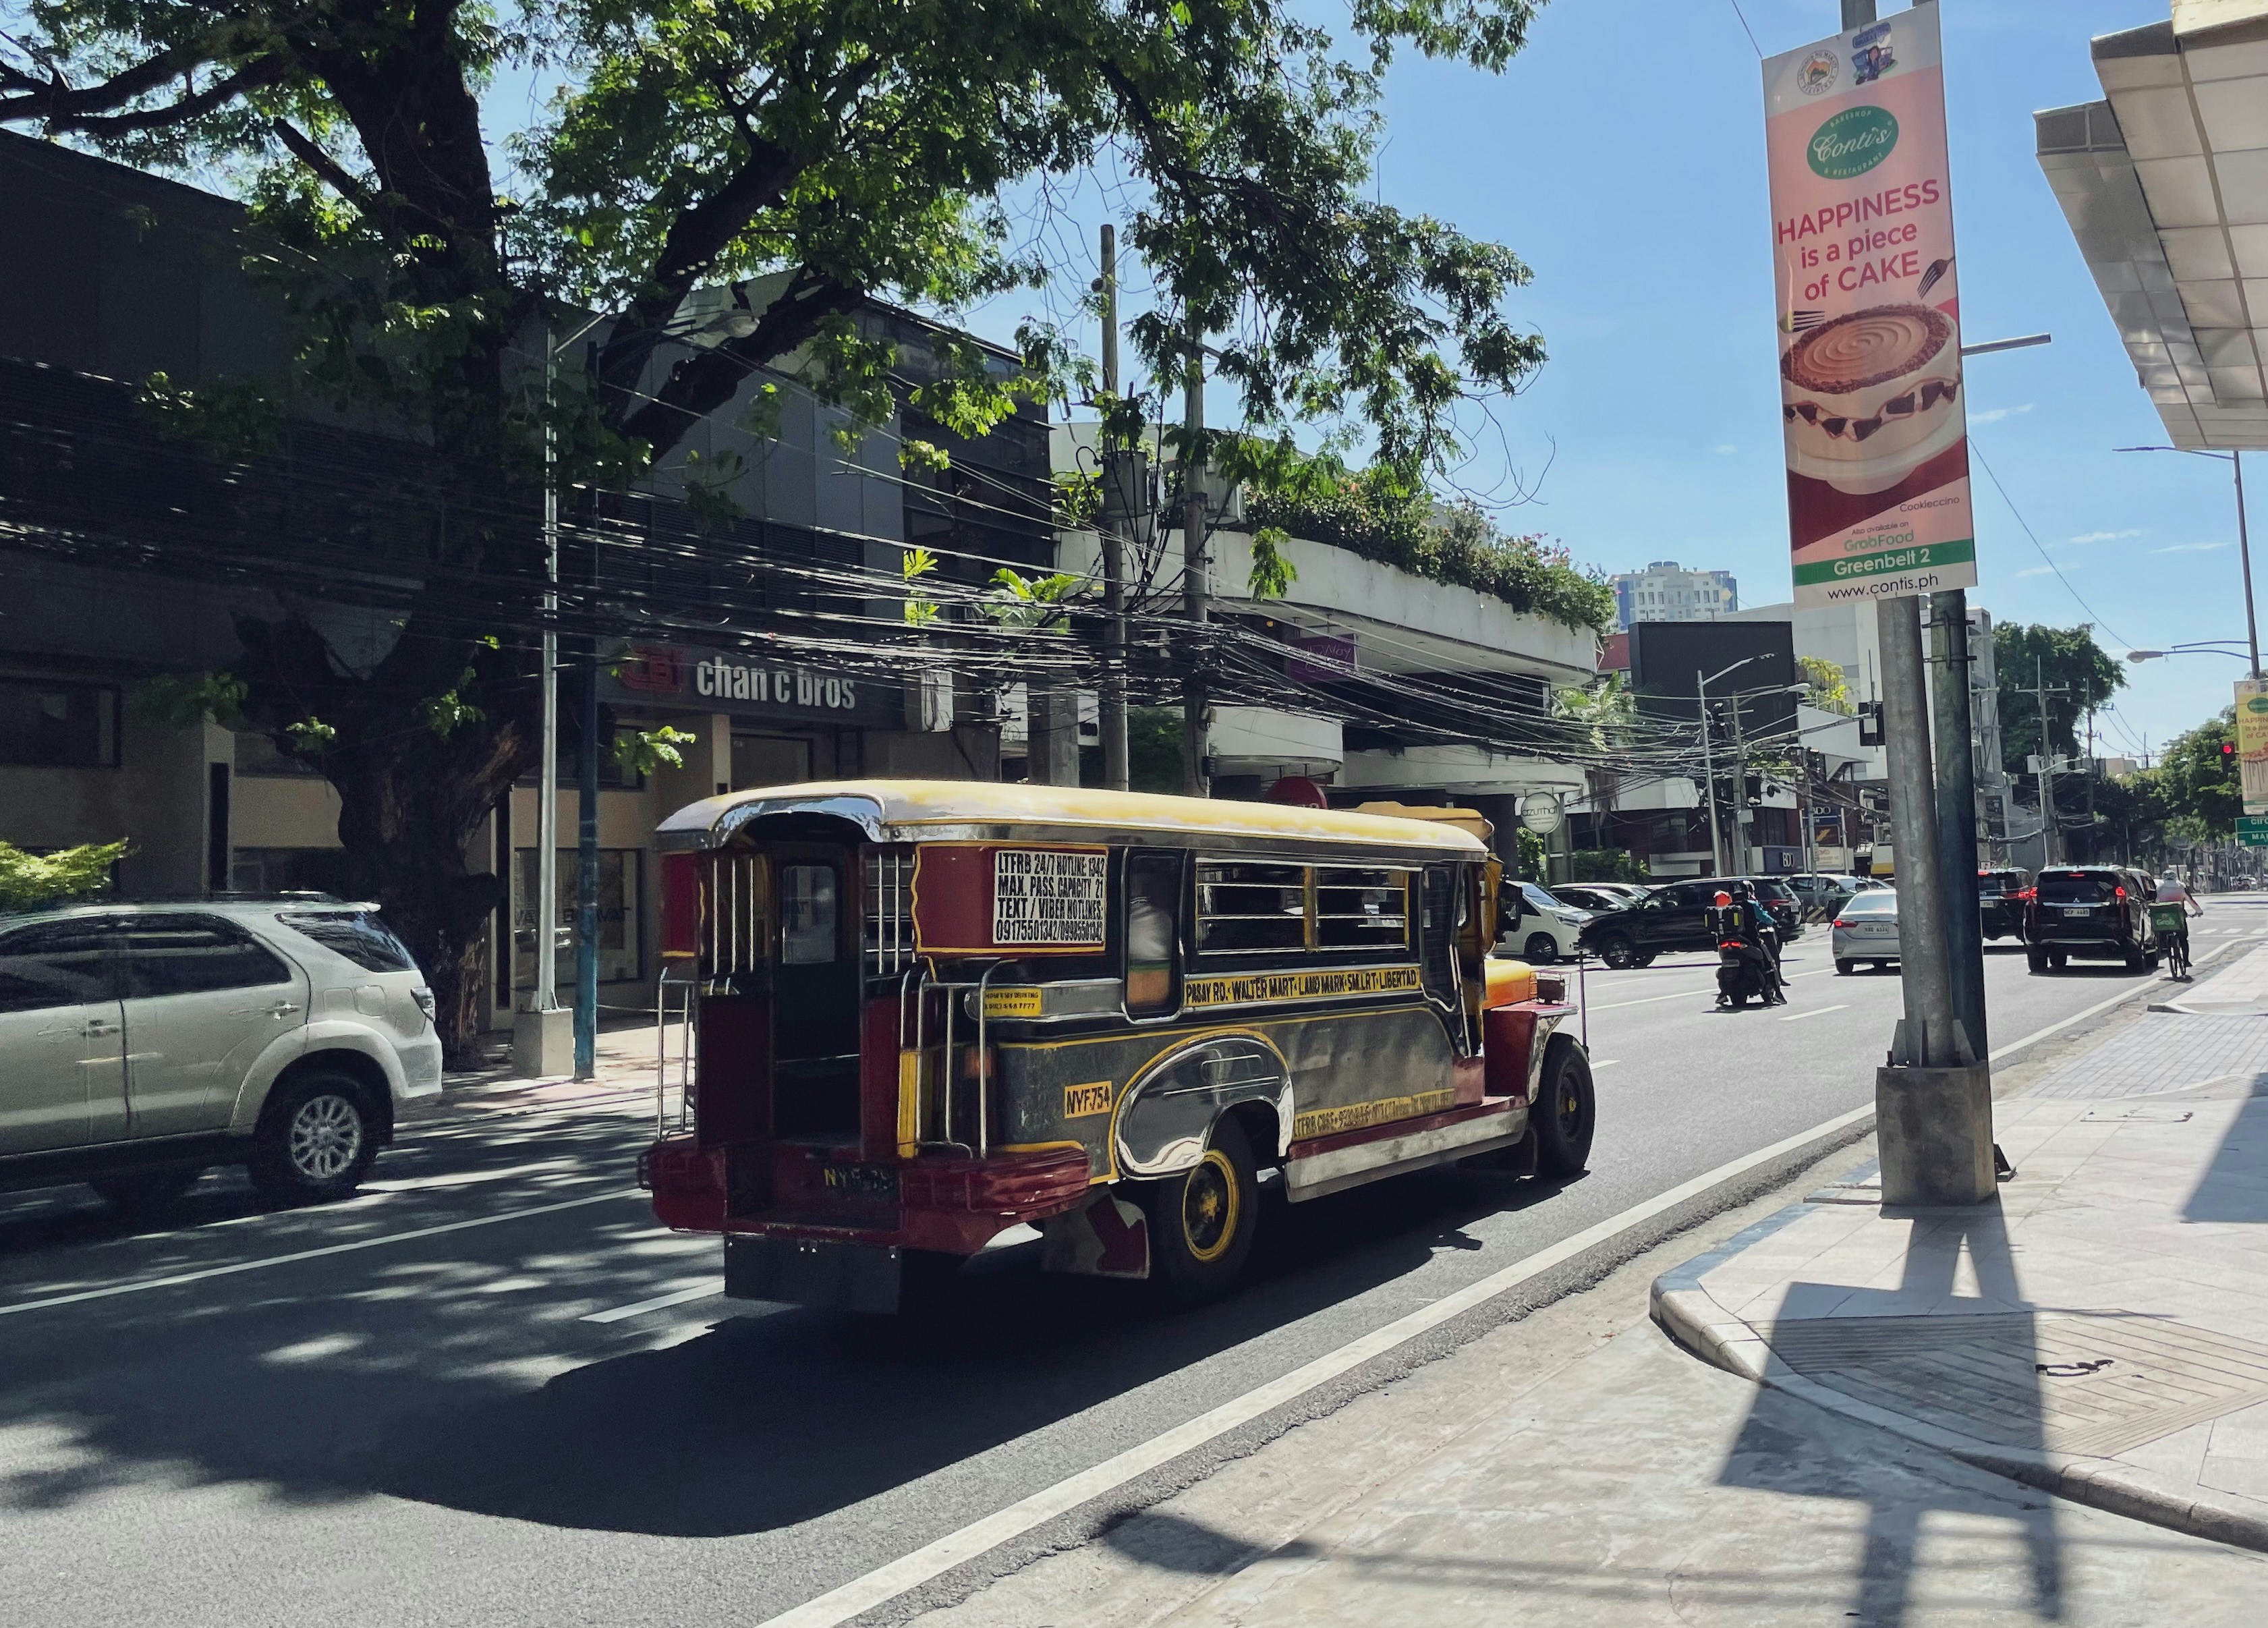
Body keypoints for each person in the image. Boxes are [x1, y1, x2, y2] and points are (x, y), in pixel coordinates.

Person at [2155, 873, 2204, 980]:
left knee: (2160, 933)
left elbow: (2156, 902)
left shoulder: (2160, 888)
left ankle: (2162, 947)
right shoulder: (2181, 886)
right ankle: (2186, 961)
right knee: (2183, 939)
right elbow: (2190, 900)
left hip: (2164, 917)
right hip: (2179, 916)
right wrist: (2198, 911)